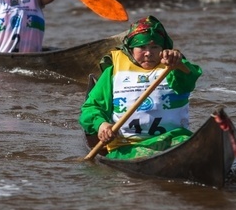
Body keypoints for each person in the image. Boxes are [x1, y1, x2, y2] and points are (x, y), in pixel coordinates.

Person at [79, 15, 202, 159]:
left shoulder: (174, 67)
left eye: (154, 47)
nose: (148, 53)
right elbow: (91, 109)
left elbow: (190, 79)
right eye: (142, 47)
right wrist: (102, 125)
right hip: (128, 147)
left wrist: (179, 63)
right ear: (130, 49)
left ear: (163, 48)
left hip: (174, 141)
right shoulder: (113, 72)